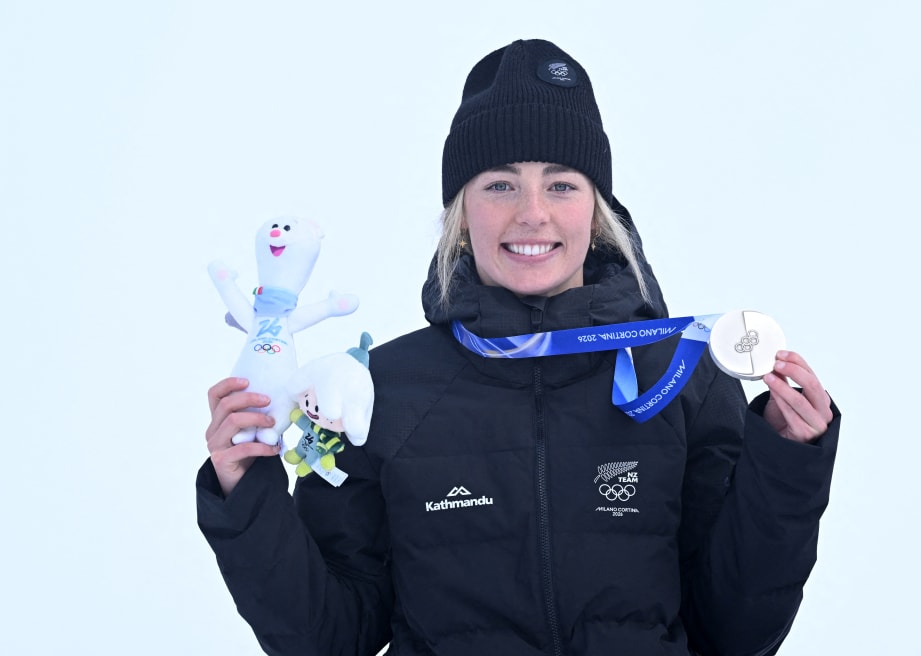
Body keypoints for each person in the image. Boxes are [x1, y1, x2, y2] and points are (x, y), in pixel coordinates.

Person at [197, 39, 840, 656]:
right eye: (499, 184)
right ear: (460, 211)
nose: (532, 213)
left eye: (561, 184)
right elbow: (331, 640)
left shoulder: (683, 375)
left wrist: (785, 466)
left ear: (598, 207)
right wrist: (246, 491)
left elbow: (735, 633)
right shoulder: (380, 391)